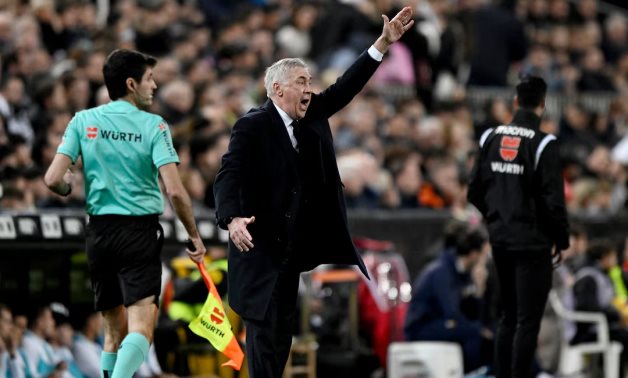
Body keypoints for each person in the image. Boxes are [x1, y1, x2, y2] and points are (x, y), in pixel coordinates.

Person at [213, 7, 415, 377]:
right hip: (258, 253)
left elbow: (345, 87)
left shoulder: (313, 113)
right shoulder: (252, 126)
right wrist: (231, 218)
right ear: (277, 89)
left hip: (291, 253)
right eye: (301, 82)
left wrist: (381, 46)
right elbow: (229, 173)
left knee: (281, 338)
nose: (309, 89)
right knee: (263, 340)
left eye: (309, 82)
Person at [43, 49, 207, 378]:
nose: (155, 85)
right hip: (139, 234)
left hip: (100, 233)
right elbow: (174, 190)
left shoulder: (82, 120)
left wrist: (67, 187)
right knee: (141, 330)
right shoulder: (154, 126)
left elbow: (52, 179)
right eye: (149, 79)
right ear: (131, 84)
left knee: (113, 335)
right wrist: (194, 235)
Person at [468, 75, 570, 378]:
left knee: (507, 317)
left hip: (500, 240)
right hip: (532, 244)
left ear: (515, 102)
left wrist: (496, 219)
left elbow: (474, 192)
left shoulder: (490, 137)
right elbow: (554, 202)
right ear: (542, 104)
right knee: (528, 321)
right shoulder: (544, 144)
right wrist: (560, 240)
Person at [404, 221, 493, 372]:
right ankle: (471, 373)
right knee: (473, 333)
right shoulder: (442, 271)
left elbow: (473, 313)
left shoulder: (463, 273)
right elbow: (451, 312)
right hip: (422, 328)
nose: (484, 261)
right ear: (473, 254)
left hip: (442, 323)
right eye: (483, 255)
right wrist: (477, 328)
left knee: (485, 332)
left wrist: (479, 291)